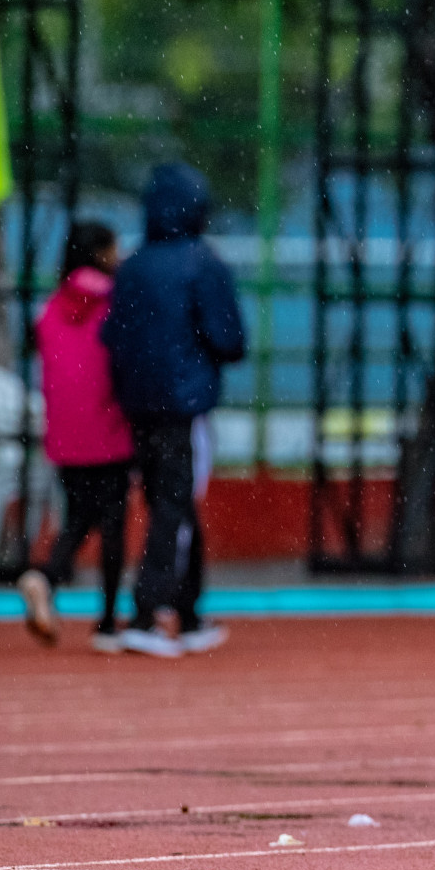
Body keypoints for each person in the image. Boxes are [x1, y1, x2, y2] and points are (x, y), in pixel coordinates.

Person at [103, 163, 246, 659]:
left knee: (171, 503)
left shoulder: (134, 265)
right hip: (183, 404)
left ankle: (186, 613)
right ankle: (148, 613)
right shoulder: (201, 264)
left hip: (137, 404)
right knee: (174, 506)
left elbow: (113, 337)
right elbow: (230, 338)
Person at [17, 222, 134, 654]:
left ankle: (45, 577)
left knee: (81, 515)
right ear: (102, 253)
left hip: (65, 434)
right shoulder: (116, 302)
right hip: (109, 427)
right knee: (113, 524)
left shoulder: (49, 309)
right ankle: (106, 621)